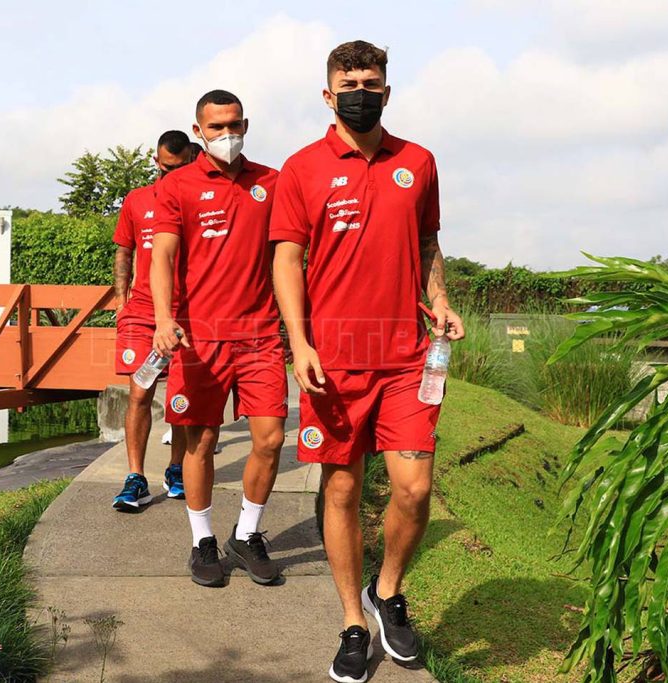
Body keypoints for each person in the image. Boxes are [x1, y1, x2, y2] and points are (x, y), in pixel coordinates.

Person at [270, 41, 465, 683]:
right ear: (328, 95)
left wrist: (438, 299)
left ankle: (388, 591)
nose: (360, 91)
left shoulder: (419, 162)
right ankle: (353, 621)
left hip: (410, 358)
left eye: (371, 81)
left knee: (414, 489)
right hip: (334, 363)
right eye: (348, 82)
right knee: (344, 487)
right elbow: (287, 262)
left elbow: (429, 241)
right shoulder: (300, 170)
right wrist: (299, 345)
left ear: (388, 90)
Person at [151, 90, 288, 588]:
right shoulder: (178, 186)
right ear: (198, 131)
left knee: (271, 439)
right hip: (198, 338)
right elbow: (161, 257)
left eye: (233, 125)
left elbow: (289, 258)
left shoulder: (272, 183)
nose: (226, 135)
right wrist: (164, 319)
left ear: (246, 125)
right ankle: (202, 540)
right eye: (215, 128)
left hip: (259, 336)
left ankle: (247, 533)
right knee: (202, 440)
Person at [111, 130, 195, 509]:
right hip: (142, 313)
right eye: (164, 167)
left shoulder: (198, 199)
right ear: (156, 161)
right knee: (140, 392)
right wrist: (119, 296)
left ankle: (176, 470)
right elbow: (123, 251)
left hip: (187, 315)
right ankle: (135, 477)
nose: (170, 174)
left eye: (178, 168)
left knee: (181, 397)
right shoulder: (137, 200)